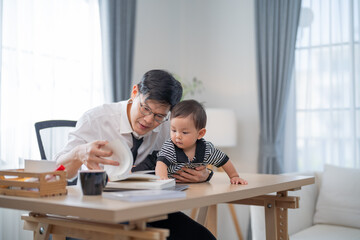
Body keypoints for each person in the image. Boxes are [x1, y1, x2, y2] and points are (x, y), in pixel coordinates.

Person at [55, 69, 216, 240]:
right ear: (134, 92)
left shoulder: (165, 127)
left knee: (203, 238)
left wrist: (204, 174)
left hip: (148, 212)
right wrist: (78, 153)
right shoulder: (95, 120)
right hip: (100, 215)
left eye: (159, 115)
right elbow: (57, 173)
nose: (148, 120)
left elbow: (189, 158)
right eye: (145, 108)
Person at [155, 100, 248, 185]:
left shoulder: (206, 149)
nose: (177, 136)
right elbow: (161, 163)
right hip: (174, 188)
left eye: (184, 132)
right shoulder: (170, 147)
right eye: (173, 130)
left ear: (200, 133)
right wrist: (163, 179)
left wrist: (234, 176)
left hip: (196, 188)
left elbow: (224, 160)